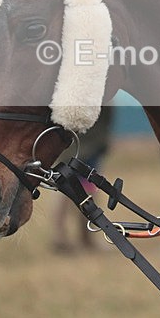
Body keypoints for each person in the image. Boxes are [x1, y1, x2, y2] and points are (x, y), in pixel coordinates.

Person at [51, 104, 113, 252]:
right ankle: (77, 238)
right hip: (84, 150)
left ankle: (65, 237)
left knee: (72, 192)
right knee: (79, 193)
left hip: (85, 149)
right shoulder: (93, 93)